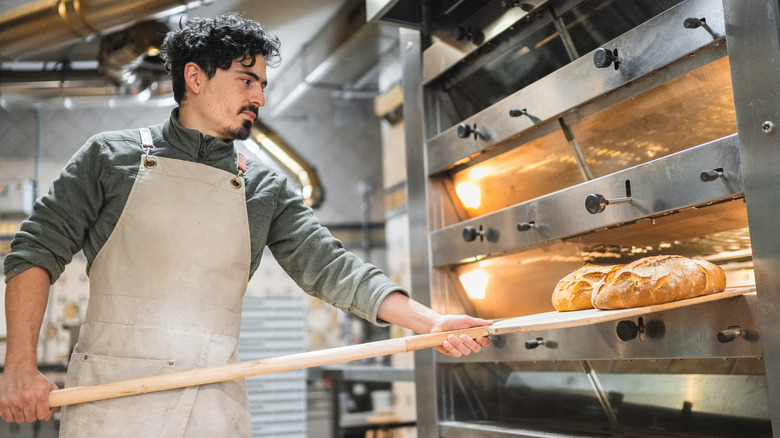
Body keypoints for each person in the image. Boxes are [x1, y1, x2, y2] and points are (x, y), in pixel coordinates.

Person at [0, 12, 491, 436]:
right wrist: (19, 365)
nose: (259, 97)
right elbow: (34, 251)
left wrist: (434, 323)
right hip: (110, 403)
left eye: (261, 84)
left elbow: (333, 268)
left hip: (214, 407)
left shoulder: (264, 187)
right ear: (195, 78)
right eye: (246, 79)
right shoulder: (109, 156)